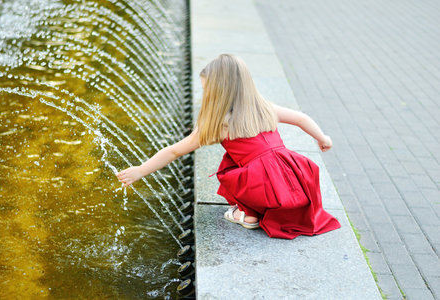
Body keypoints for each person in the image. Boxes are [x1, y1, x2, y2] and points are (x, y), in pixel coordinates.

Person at [116, 54, 341, 239]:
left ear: (217, 94)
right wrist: (322, 138)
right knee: (247, 163)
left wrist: (140, 171)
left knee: (230, 172)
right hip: (296, 179)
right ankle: (260, 210)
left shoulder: (219, 124)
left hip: (263, 186)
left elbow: (174, 151)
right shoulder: (264, 107)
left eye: (207, 91)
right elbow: (301, 118)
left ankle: (249, 215)